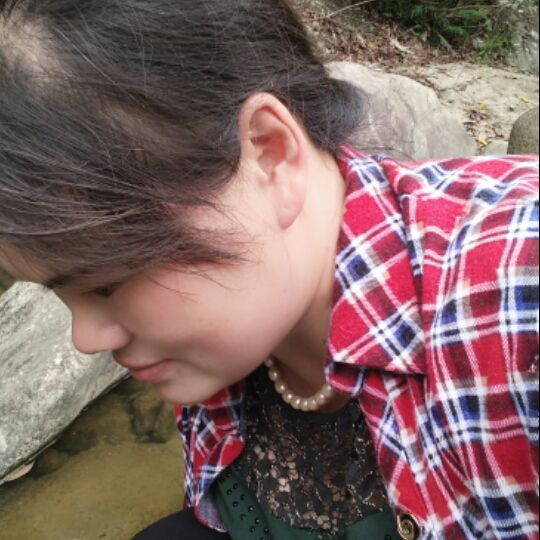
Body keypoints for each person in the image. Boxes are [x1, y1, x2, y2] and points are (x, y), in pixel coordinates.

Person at [0, 1, 538, 539]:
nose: (86, 338)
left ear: (269, 152)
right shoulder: (242, 313)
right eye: (58, 292)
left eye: (105, 283)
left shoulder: (515, 292)